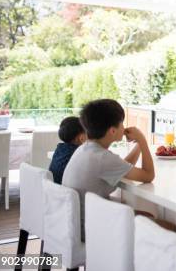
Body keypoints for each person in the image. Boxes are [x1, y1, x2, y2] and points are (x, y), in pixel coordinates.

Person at [62, 99, 155, 237]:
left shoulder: (85, 149)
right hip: (93, 230)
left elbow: (122, 168)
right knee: (159, 224)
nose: (124, 127)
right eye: (122, 123)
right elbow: (148, 175)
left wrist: (138, 145)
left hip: (75, 225)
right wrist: (142, 140)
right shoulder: (102, 158)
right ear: (112, 130)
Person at [48, 116, 86, 184]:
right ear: (80, 137)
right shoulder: (78, 153)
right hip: (67, 191)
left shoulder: (60, 148)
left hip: (53, 189)